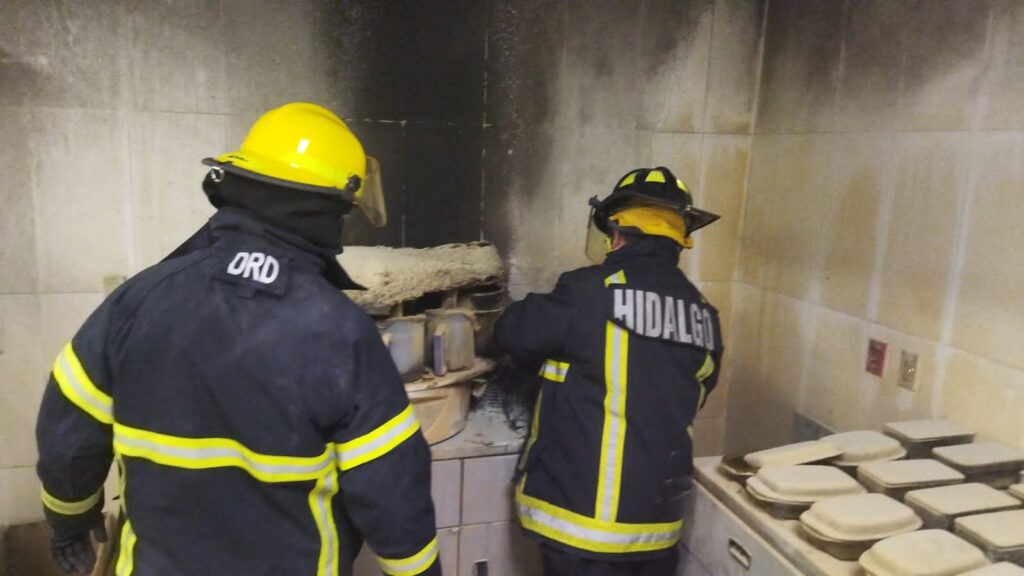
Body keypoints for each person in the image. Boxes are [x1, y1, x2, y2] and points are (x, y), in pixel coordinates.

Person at [35, 102, 441, 576]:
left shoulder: (139, 301)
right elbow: (392, 491)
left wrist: (68, 521)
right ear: (329, 209)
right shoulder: (341, 332)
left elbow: (68, 435)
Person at [495, 167, 723, 575]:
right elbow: (694, 393)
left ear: (617, 231)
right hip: (658, 529)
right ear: (678, 241)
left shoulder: (588, 291)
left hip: (583, 527)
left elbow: (513, 333)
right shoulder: (704, 314)